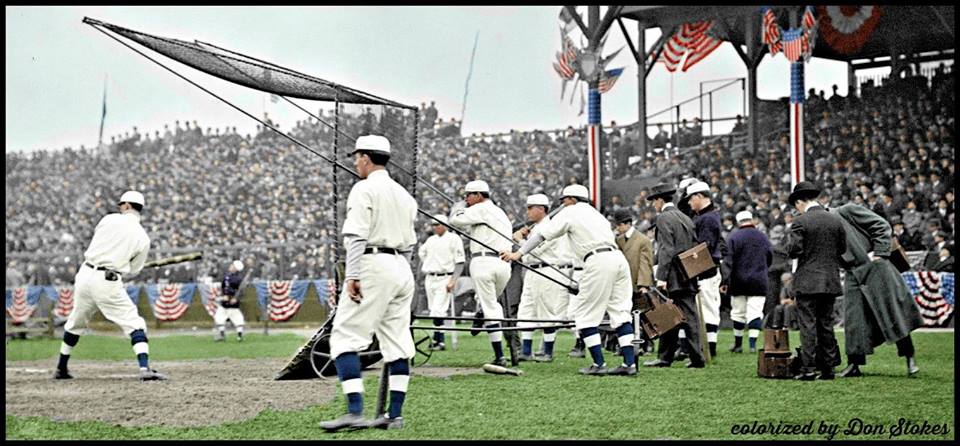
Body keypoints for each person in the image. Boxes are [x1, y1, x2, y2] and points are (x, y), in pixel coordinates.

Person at [320, 135, 418, 432]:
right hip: (402, 266)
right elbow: (411, 243)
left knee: (344, 337)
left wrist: (352, 275)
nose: (354, 162)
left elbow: (356, 236)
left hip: (373, 262)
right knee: (398, 342)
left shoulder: (363, 189)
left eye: (356, 157)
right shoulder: (405, 195)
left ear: (365, 157)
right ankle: (395, 415)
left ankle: (355, 411)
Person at [502, 184, 637, 376]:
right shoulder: (596, 214)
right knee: (620, 312)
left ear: (572, 199)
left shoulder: (570, 211)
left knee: (583, 315)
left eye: (564, 200)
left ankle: (599, 364)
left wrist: (518, 254)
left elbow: (541, 234)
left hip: (597, 260)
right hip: (617, 259)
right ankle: (629, 364)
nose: (563, 204)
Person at [54, 191, 167, 381]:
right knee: (134, 323)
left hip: (84, 274)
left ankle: (61, 368)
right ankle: (144, 368)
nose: (119, 207)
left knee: (75, 322)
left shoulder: (108, 219)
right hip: (107, 280)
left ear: (127, 206)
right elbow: (133, 270)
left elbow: (101, 242)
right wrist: (123, 263)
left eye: (121, 204)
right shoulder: (143, 238)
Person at [830, 203, 924, 378]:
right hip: (852, 273)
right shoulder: (822, 226)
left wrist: (880, 253)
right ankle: (854, 364)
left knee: (893, 314)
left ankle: (910, 358)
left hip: (875, 268)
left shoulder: (846, 210)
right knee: (854, 320)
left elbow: (881, 224)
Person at [783, 181, 845, 381]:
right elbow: (842, 249)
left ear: (800, 202)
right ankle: (828, 369)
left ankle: (808, 368)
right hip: (830, 280)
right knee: (826, 324)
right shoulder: (835, 219)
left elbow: (794, 250)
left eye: (796, 205)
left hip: (808, 281)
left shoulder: (801, 221)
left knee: (807, 325)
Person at [449, 179, 513, 367]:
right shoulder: (499, 212)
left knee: (491, 307)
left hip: (483, 261)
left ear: (478, 195)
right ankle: (480, 312)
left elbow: (455, 220)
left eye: (468, 195)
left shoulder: (480, 208)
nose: (466, 199)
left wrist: (459, 207)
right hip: (503, 263)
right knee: (491, 302)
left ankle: (500, 356)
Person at [642, 182, 705, 369]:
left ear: (660, 200)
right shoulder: (685, 218)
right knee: (676, 317)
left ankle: (692, 358)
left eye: (654, 201)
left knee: (675, 317)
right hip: (689, 273)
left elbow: (666, 250)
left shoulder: (663, 219)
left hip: (673, 277)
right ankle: (668, 357)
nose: (653, 204)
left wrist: (661, 277)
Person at [512, 194, 575, 362]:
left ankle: (548, 352)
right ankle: (526, 351)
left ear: (541, 209)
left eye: (531, 208)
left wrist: (520, 240)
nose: (528, 211)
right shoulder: (536, 228)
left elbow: (536, 251)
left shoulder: (550, 227)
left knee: (547, 311)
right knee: (527, 310)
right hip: (532, 272)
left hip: (547, 271)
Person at [721, 211, 772, 353]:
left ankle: (738, 344)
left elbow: (728, 261)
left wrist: (725, 280)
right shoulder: (763, 237)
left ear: (738, 222)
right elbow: (770, 257)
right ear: (752, 220)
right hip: (759, 280)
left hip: (738, 281)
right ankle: (752, 345)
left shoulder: (733, 237)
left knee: (738, 312)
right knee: (755, 312)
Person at [685, 181, 724, 358]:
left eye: (690, 199)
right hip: (707, 268)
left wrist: (692, 269)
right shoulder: (707, 216)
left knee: (708, 308)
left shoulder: (707, 218)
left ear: (700, 197)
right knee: (707, 308)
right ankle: (707, 345)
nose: (689, 203)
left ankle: (710, 347)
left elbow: (704, 248)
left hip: (705, 270)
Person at [417, 214, 465, 351]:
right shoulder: (431, 240)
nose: (435, 227)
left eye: (437, 224)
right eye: (433, 225)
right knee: (433, 310)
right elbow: (422, 255)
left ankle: (440, 341)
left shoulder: (454, 239)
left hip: (445, 277)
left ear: (445, 225)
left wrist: (453, 280)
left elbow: (460, 261)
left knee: (439, 309)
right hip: (430, 277)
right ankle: (437, 340)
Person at [613, 208, 655, 354]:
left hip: (637, 284)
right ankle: (627, 344)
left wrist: (644, 284)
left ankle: (647, 344)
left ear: (627, 224)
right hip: (623, 284)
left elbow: (646, 263)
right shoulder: (618, 240)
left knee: (644, 316)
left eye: (619, 225)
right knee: (625, 315)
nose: (617, 228)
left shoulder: (643, 240)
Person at [215, 260, 246, 342]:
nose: (230, 266)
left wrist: (234, 298)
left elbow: (239, 291)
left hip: (232, 302)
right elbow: (224, 288)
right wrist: (223, 296)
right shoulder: (227, 276)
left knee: (237, 318)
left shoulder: (238, 279)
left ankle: (239, 335)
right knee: (219, 317)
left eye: (232, 265)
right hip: (225, 302)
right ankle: (222, 334)